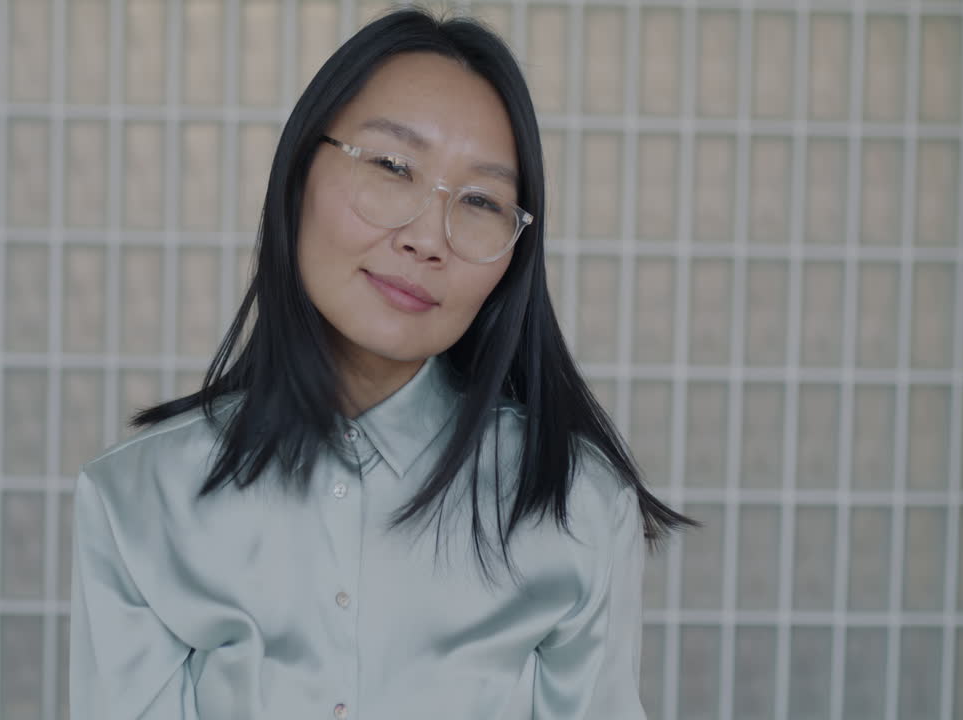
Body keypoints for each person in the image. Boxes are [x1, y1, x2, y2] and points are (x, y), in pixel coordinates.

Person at [70, 7, 693, 719]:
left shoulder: (575, 507)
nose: (428, 238)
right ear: (299, 171)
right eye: (393, 166)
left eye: (482, 201)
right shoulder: (139, 499)